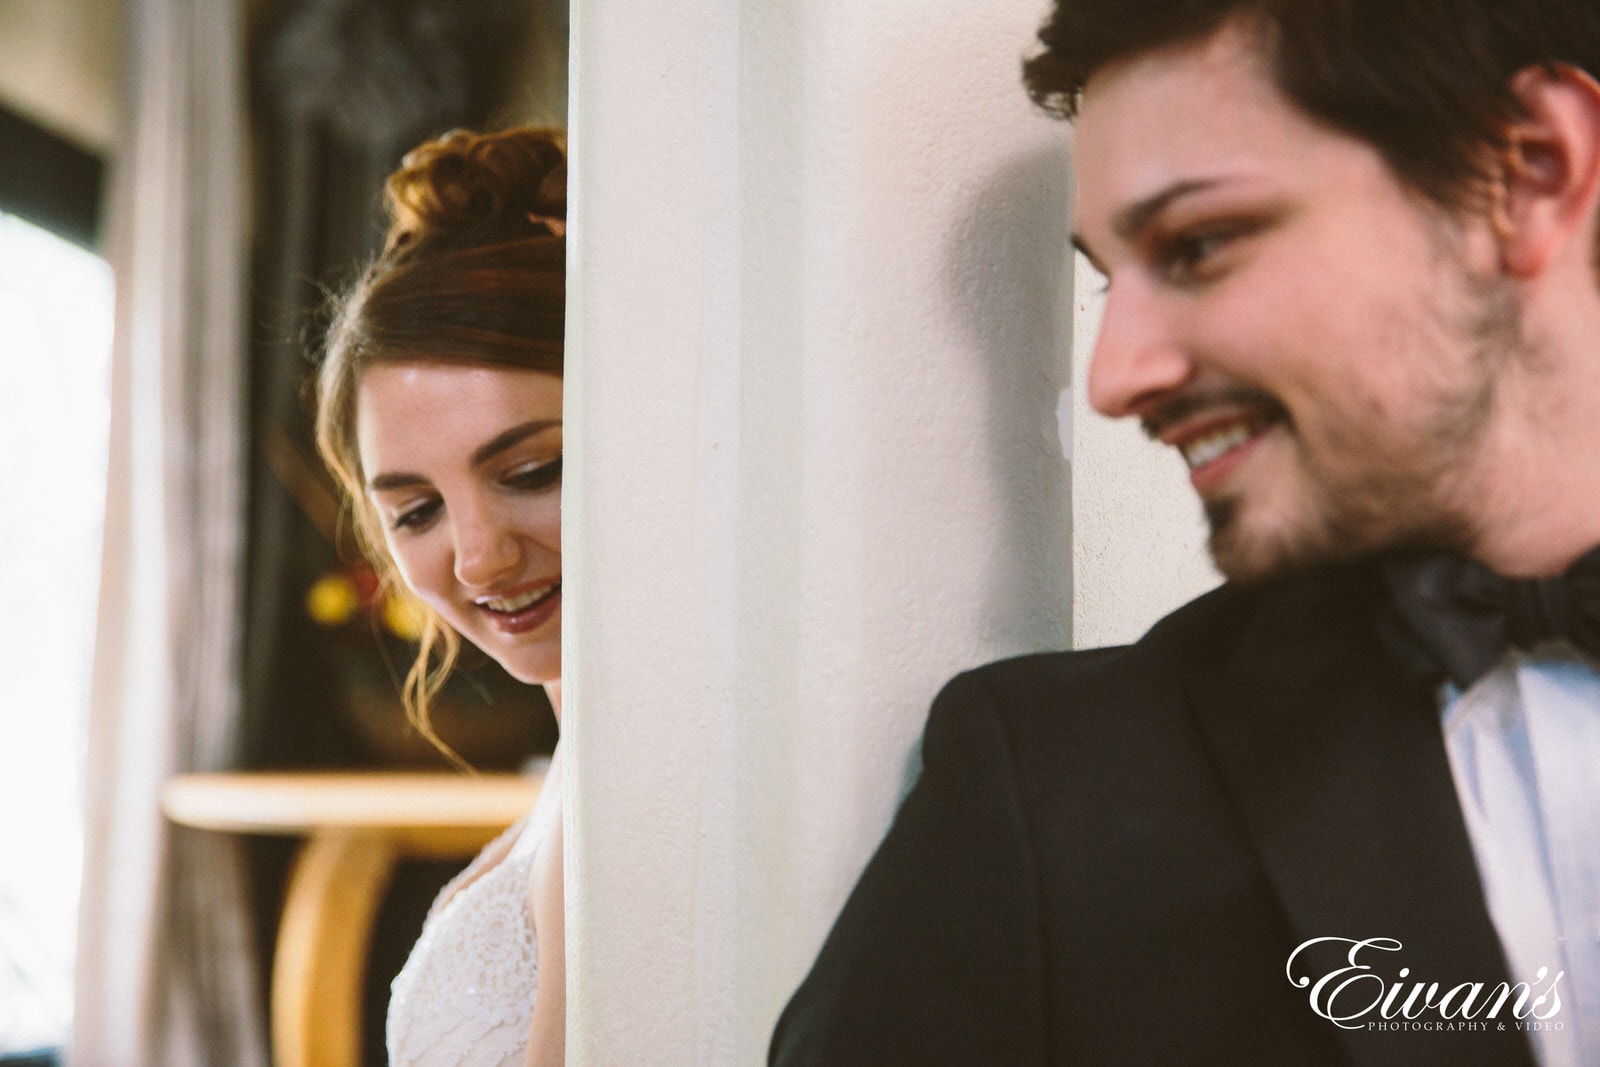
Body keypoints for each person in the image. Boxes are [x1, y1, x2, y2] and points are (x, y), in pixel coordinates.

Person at [771, 2, 1600, 1063]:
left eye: (1201, 244)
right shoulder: (1050, 795)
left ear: (1529, 169)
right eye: (1111, 278)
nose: (1116, 377)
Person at [316, 125, 567, 1066]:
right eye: (416, 509)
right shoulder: (575, 784)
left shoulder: (641, 790)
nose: (478, 559)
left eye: (533, 469)